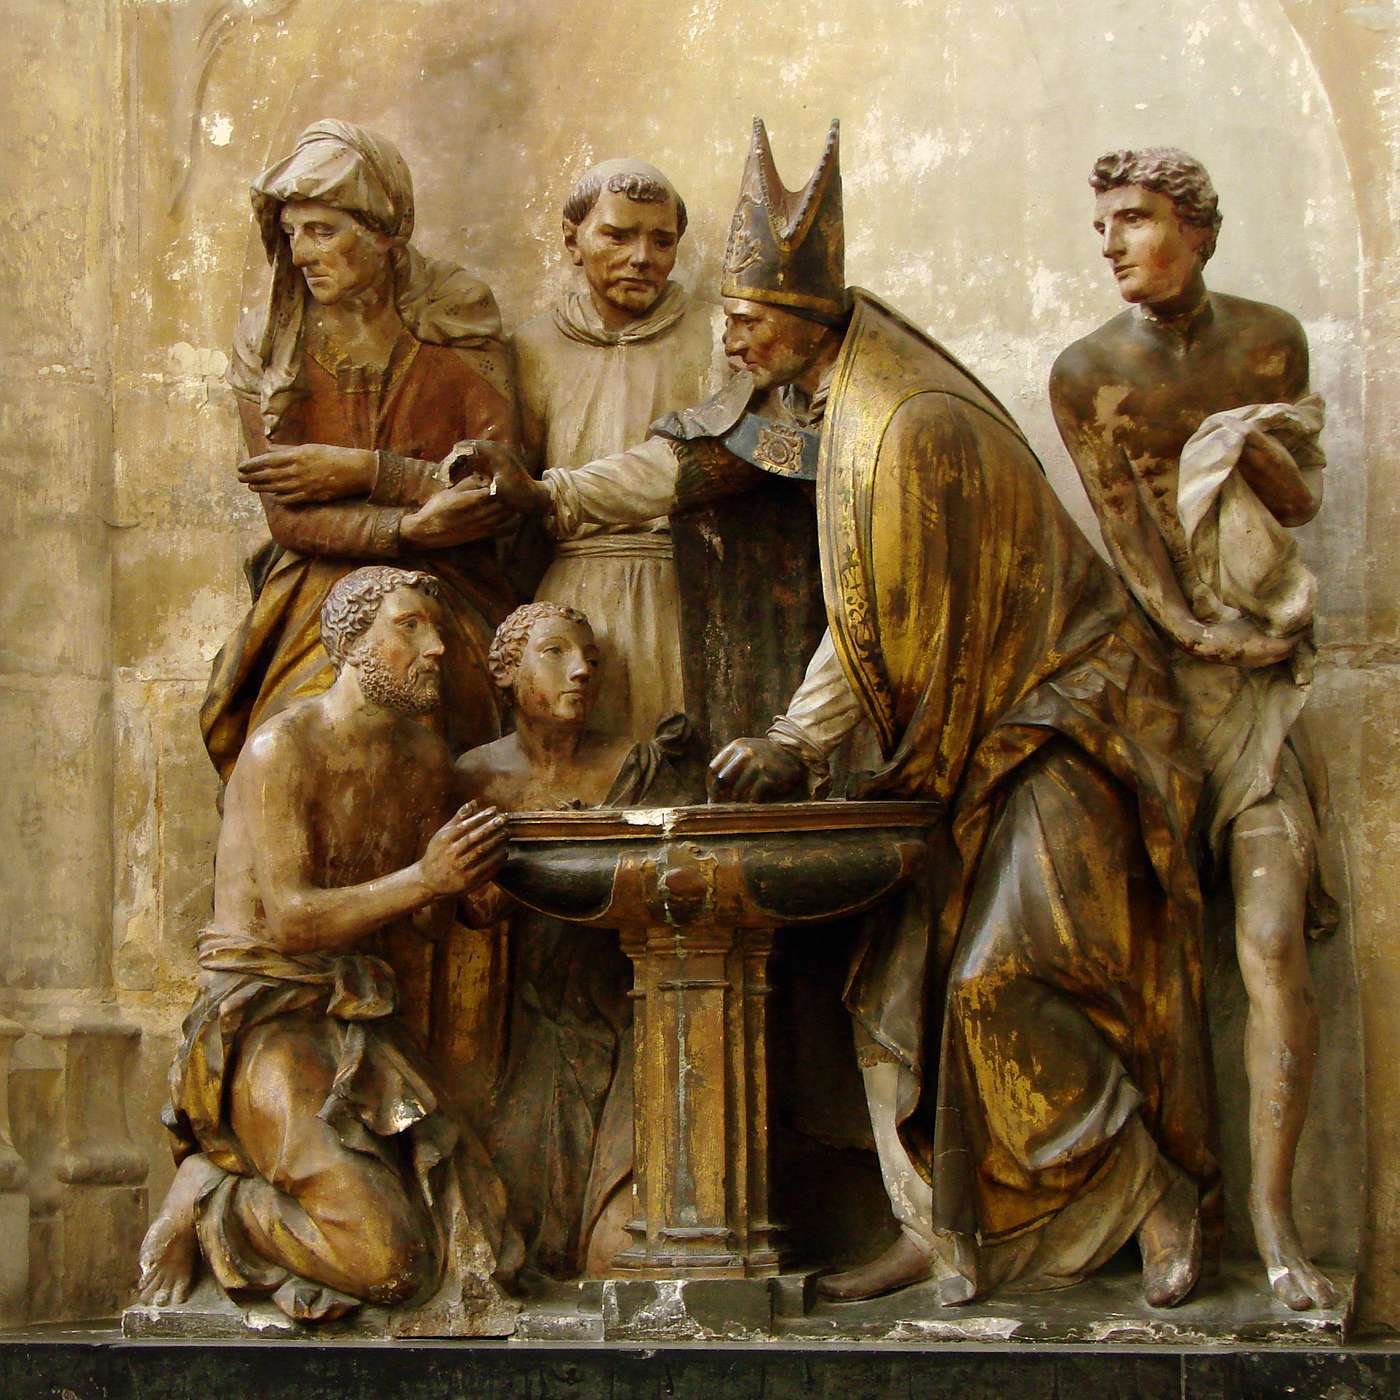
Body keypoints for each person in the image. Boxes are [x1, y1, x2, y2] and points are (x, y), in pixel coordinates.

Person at [476, 117, 1217, 1307]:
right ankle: (937, 1218)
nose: (725, 338)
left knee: (996, 977)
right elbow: (690, 465)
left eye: (744, 320)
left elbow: (875, 613)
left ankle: (1150, 1191)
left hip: (1064, 725)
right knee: (889, 986)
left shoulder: (902, 424)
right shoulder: (816, 398)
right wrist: (546, 493)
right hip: (961, 745)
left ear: (801, 319)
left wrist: (793, 738)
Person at [1049, 148, 1340, 1311]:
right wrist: (1198, 635)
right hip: (1157, 692)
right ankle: (1165, 1207)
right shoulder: (1086, 371)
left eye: (1134, 219)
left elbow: (1297, 497)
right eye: (1101, 226)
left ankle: (1274, 1220)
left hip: (1260, 692)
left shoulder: (1267, 341)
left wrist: (1236, 442)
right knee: (1141, 958)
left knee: (1267, 946)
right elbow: (1126, 541)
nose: (1111, 243)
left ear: (1196, 228)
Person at [138, 568, 520, 1326]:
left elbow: (421, 924)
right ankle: (217, 1200)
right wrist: (425, 878)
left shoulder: (424, 759)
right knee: (390, 1263)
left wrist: (468, 891)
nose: (437, 648)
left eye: (436, 630)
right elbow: (290, 922)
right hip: (262, 1019)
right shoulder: (282, 748)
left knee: (478, 1235)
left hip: (357, 1018)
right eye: (410, 627)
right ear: (350, 641)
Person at [202, 119, 520, 784]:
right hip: (316, 582)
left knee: (444, 729)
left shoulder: (455, 312)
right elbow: (287, 519)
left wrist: (365, 470)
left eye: (323, 231)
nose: (302, 254)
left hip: (450, 580)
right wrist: (405, 528)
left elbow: (495, 484)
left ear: (383, 231)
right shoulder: (269, 341)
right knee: (295, 740)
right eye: (291, 233)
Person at [458, 602, 688, 1278]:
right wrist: (530, 863)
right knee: (523, 1219)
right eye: (556, 652)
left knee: (619, 1244)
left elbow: (677, 880)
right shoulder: (477, 776)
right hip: (533, 1019)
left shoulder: (632, 765)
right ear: (507, 671)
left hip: (631, 1003)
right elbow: (462, 910)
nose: (582, 670)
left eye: (590, 657)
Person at [512, 160, 715, 741]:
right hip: (571, 598)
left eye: (661, 241)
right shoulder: (533, 346)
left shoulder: (716, 337)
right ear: (572, 239)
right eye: (618, 236)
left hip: (682, 595)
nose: (642, 257)